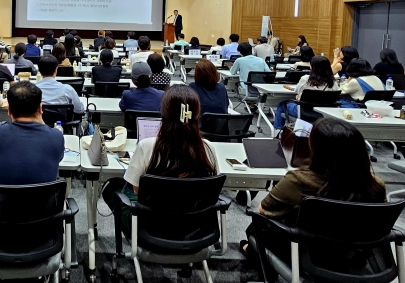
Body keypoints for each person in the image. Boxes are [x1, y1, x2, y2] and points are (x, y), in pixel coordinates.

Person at [242, 118, 385, 259]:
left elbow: (263, 209)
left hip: (304, 254)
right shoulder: (376, 185)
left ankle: (253, 250)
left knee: (257, 225)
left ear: (317, 149)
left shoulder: (298, 181)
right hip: (354, 254)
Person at [104, 84, 216, 235]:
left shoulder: (147, 146)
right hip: (194, 229)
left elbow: (137, 190)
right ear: (197, 114)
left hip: (152, 229)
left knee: (112, 187)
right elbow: (211, 191)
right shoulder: (208, 149)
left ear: (162, 113)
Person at [0, 83, 62, 283]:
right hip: (42, 230)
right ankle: (35, 277)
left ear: (8, 110)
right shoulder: (56, 137)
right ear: (40, 108)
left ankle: (6, 277)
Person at [274, 56, 339, 129]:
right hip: (324, 114)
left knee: (282, 105)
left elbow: (297, 91)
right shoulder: (333, 82)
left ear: (312, 67)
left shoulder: (306, 79)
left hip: (304, 112)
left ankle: (278, 129)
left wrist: (299, 97)